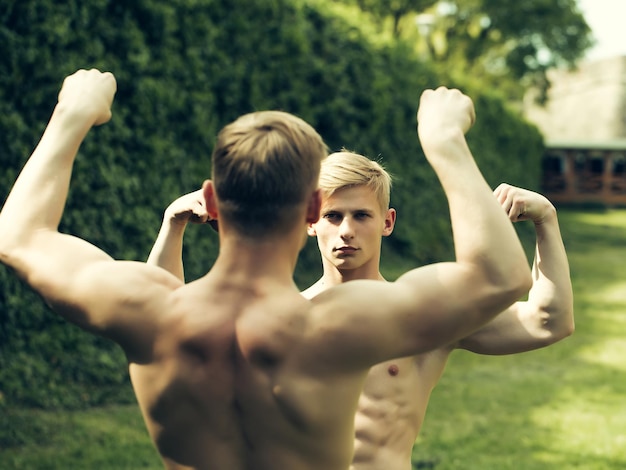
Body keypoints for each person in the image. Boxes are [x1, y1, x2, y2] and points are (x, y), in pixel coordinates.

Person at [0, 68, 532, 470]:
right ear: (310, 211)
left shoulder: (146, 306)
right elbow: (500, 275)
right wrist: (445, 143)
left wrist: (71, 115)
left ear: (211, 198)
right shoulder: (342, 322)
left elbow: (20, 236)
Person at [150, 152, 574, 470]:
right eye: (333, 216)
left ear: (387, 222)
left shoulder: (421, 317)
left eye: (361, 216)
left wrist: (547, 222)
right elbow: (162, 324)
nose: (347, 231)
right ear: (311, 220)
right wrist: (173, 224)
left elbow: (547, 321)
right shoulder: (281, 316)